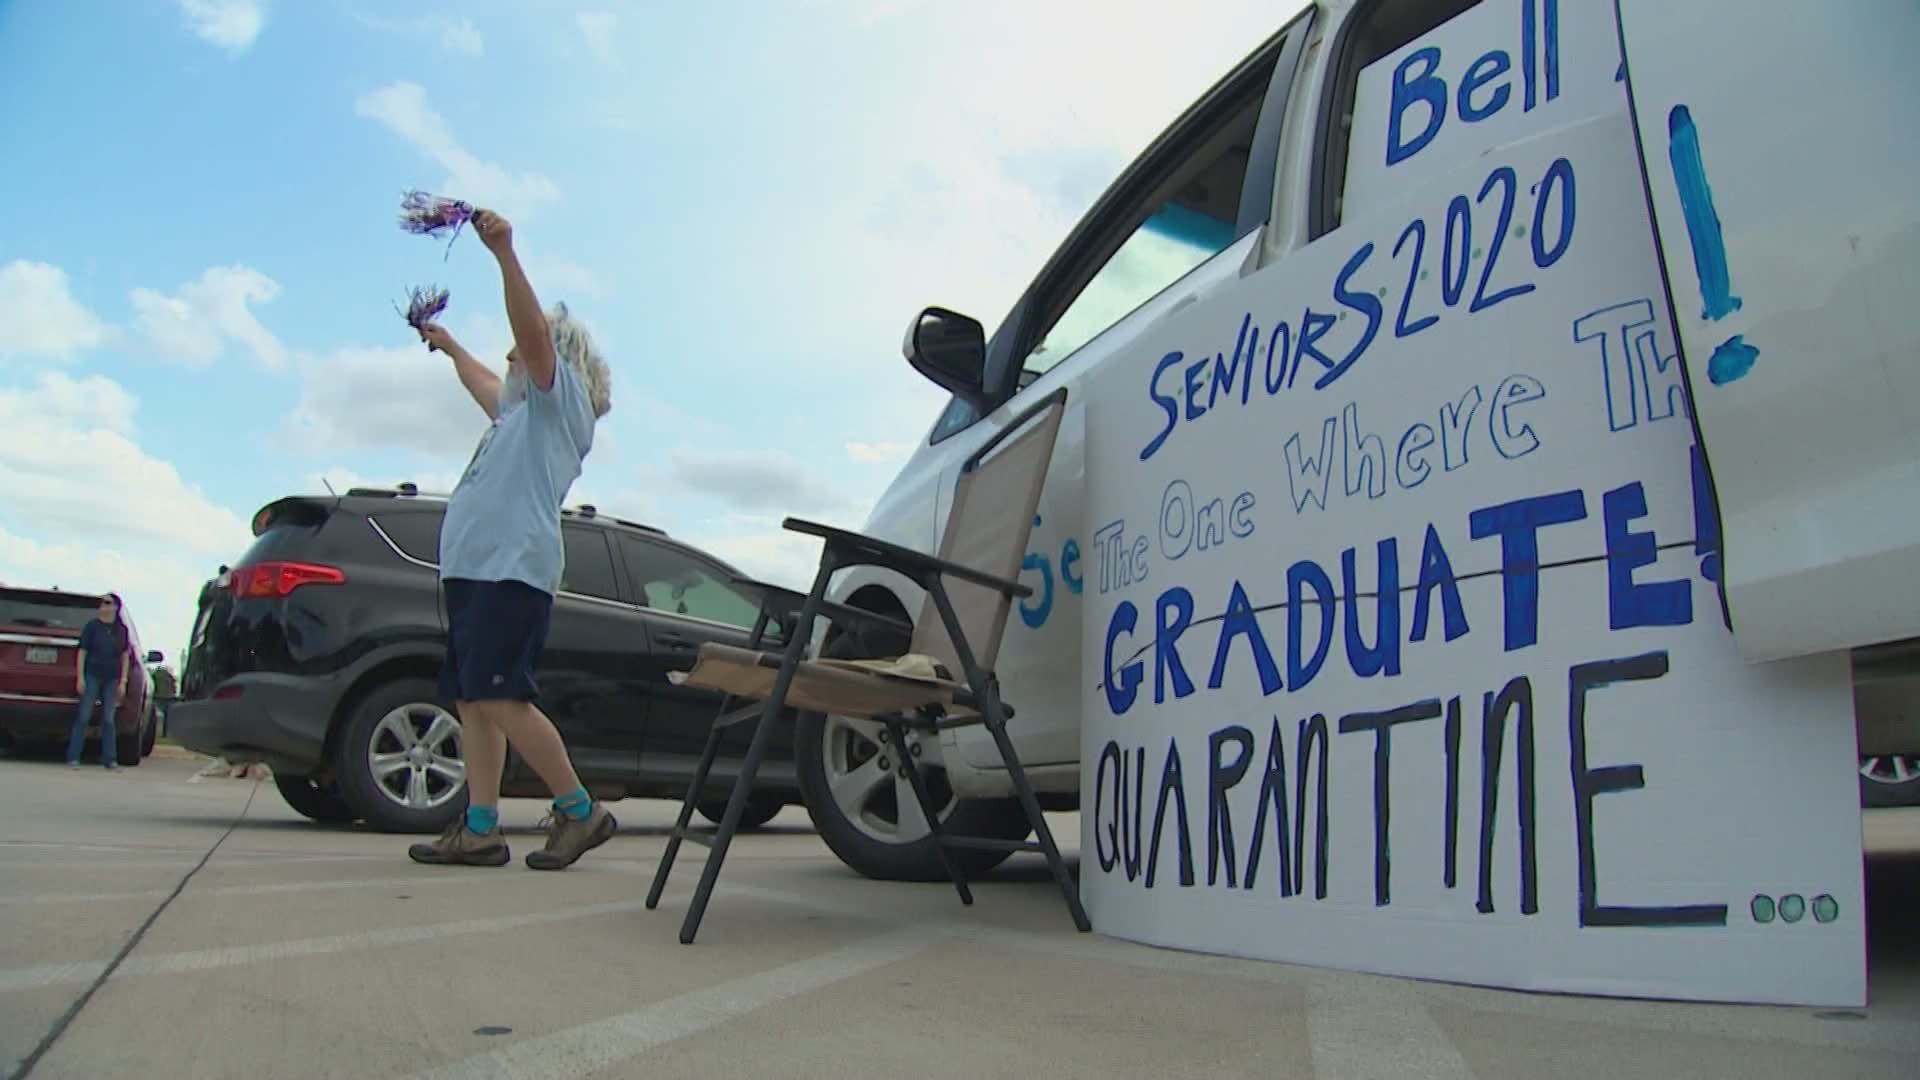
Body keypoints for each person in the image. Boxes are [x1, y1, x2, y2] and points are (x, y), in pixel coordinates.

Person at [406, 207, 617, 870]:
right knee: (474, 699)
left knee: (501, 695)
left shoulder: (561, 405)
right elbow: (484, 381)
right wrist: (448, 347)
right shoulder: (517, 412)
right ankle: (480, 826)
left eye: (518, 348)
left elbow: (531, 339)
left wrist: (503, 253)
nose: (506, 354)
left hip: (510, 570)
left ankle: (581, 812)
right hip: (476, 571)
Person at [67, 593, 129, 769]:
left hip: (112, 677)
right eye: (101, 603)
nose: (103, 606)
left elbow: (125, 656)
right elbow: (82, 652)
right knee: (84, 716)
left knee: (109, 719)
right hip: (92, 674)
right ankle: (73, 757)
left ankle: (110, 759)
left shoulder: (121, 630)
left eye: (107, 603)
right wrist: (81, 677)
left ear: (116, 607)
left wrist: (123, 680)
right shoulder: (92, 627)